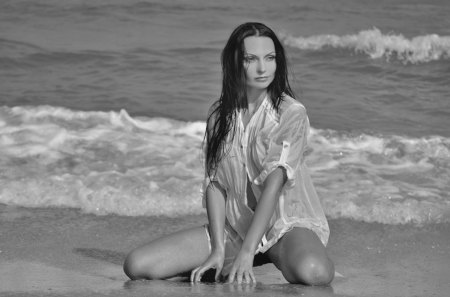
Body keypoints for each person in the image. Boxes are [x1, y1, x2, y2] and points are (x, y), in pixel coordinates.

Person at [123, 22, 334, 286]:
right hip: (236, 229)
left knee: (316, 273)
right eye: (251, 59)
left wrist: (248, 253)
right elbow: (215, 184)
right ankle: (228, 263)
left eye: (270, 58)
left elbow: (274, 184)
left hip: (284, 226)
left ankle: (262, 255)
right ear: (235, 62)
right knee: (137, 265)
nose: (262, 68)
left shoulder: (291, 114)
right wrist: (218, 250)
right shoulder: (219, 116)